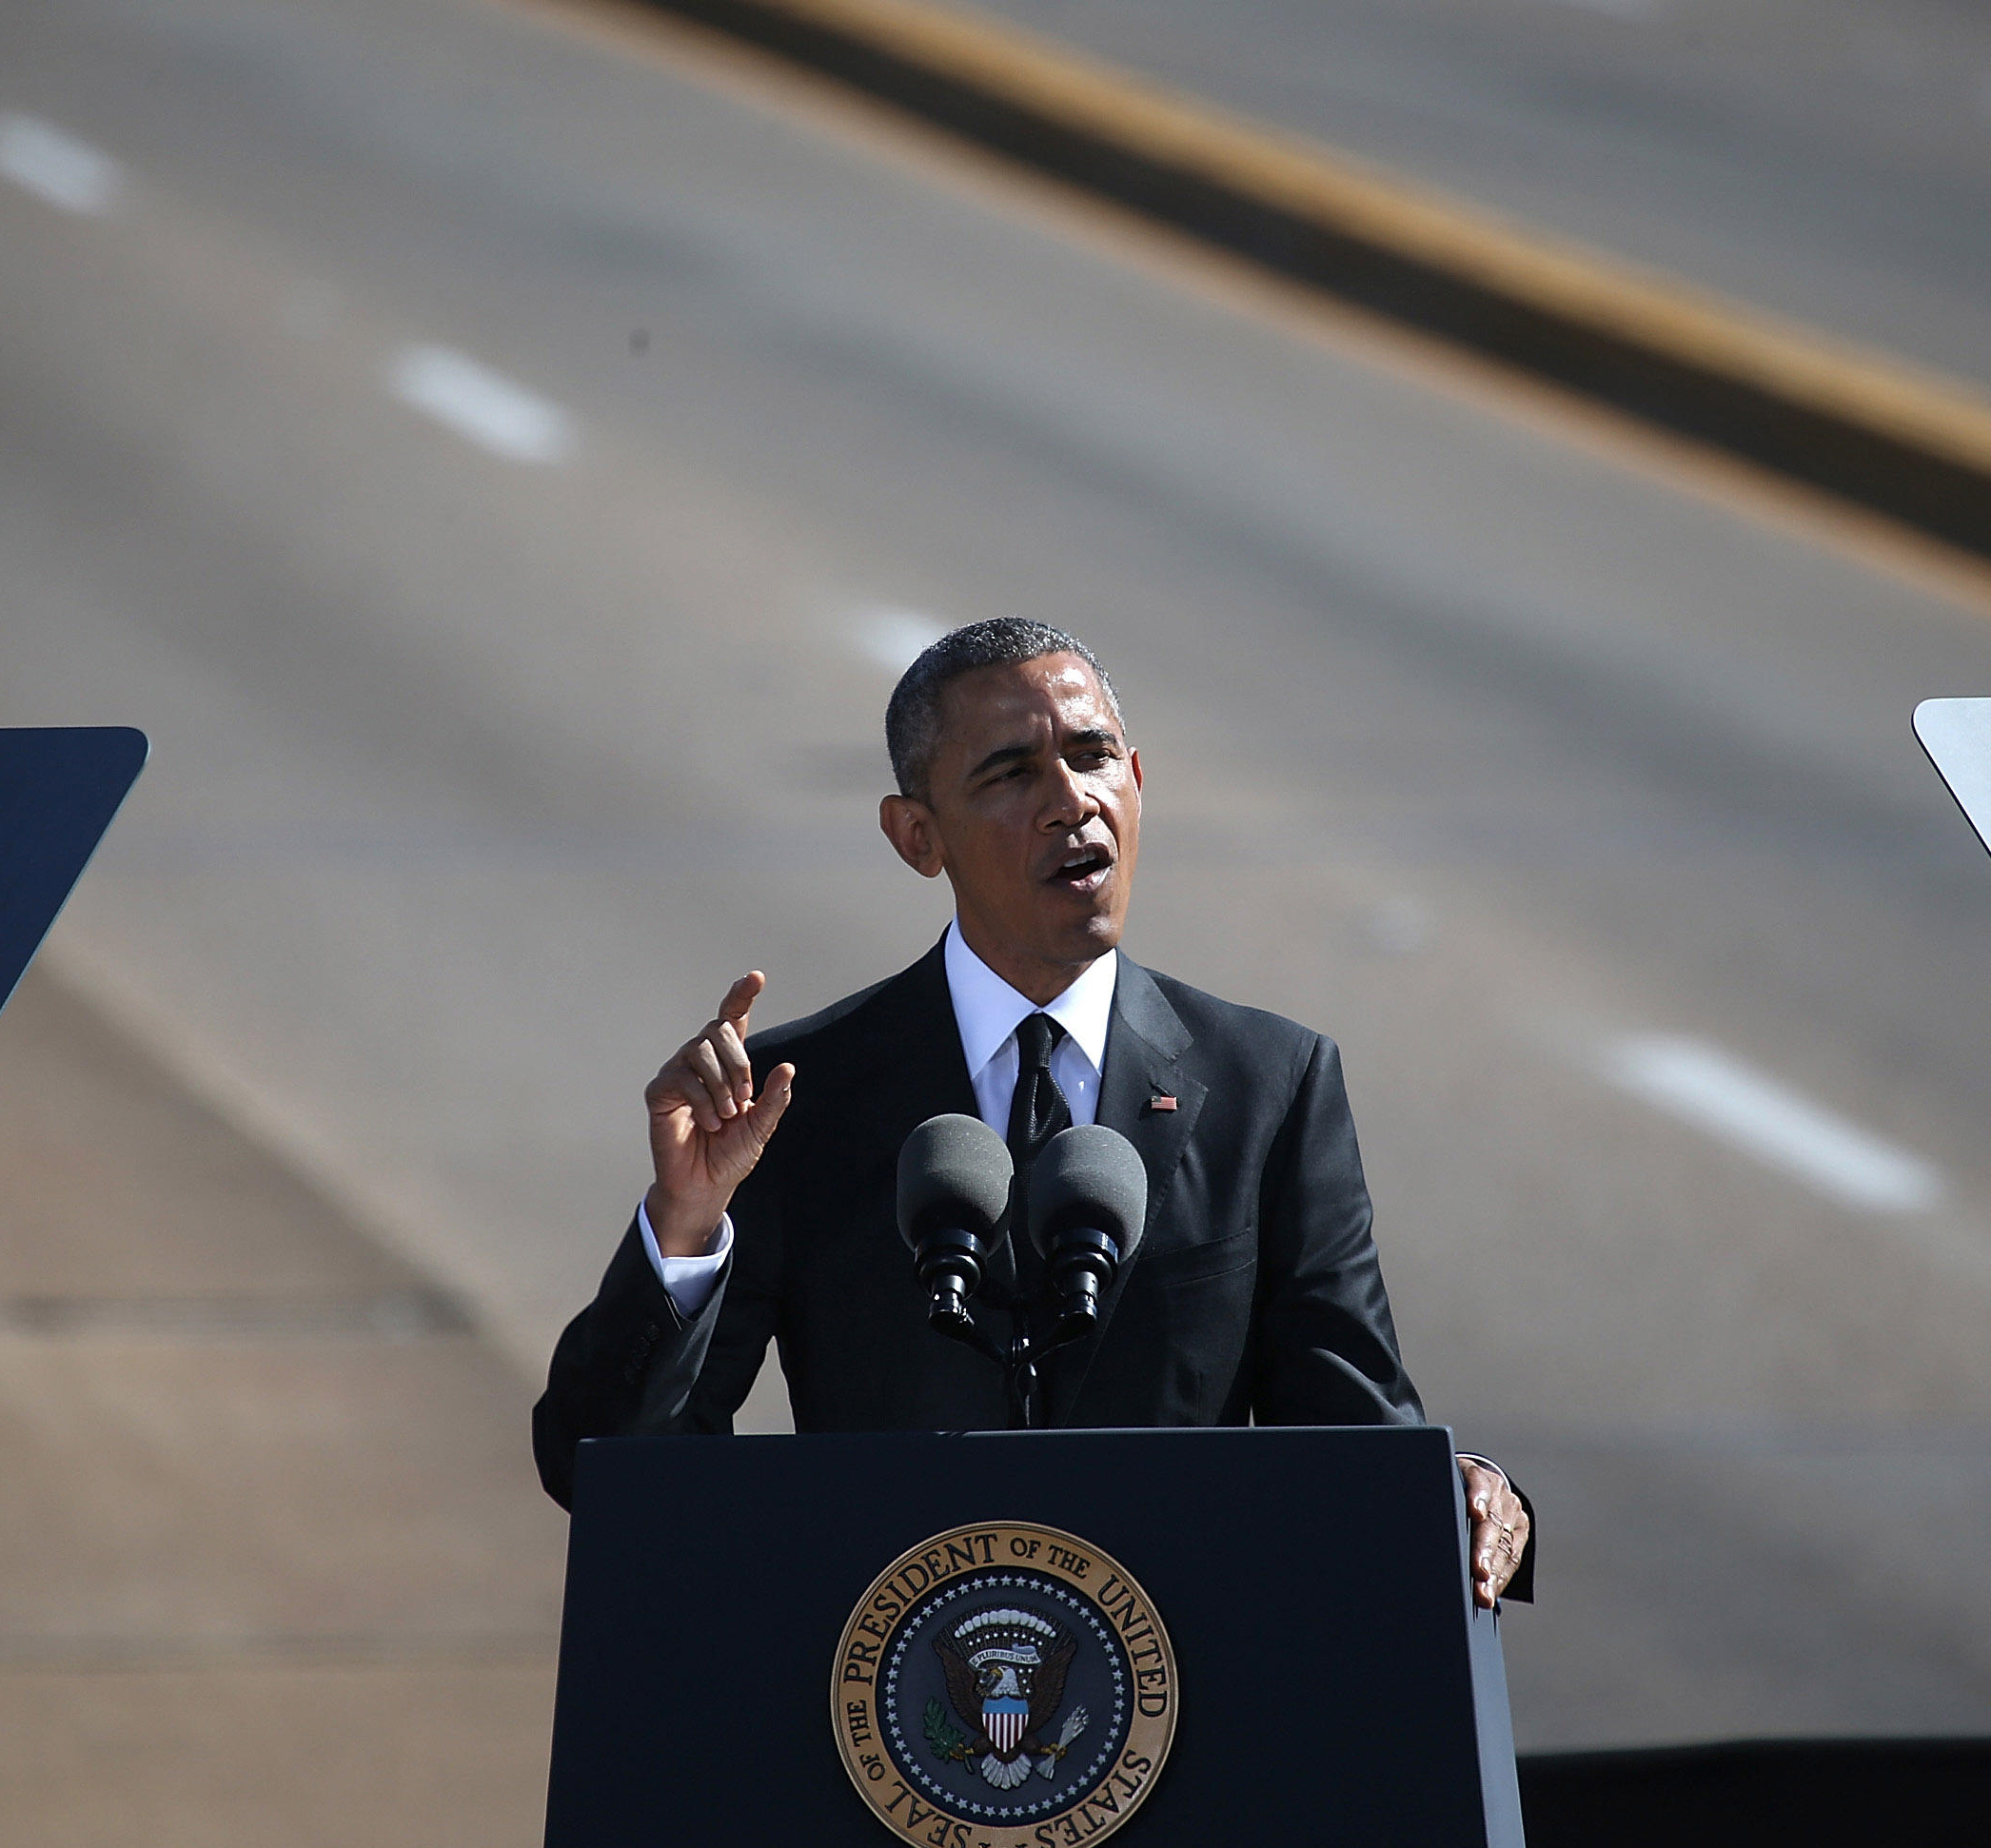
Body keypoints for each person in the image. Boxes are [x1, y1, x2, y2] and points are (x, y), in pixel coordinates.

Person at [533, 618, 1532, 1606]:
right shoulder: (794, 1099)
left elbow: (1354, 1436)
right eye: (1011, 774)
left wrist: (1463, 1494)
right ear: (917, 837)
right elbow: (603, 1470)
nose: (1070, 802)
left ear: (1135, 781)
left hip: (1184, 1672)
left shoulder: (1270, 1084)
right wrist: (687, 1224)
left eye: (1092, 758)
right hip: (889, 1680)